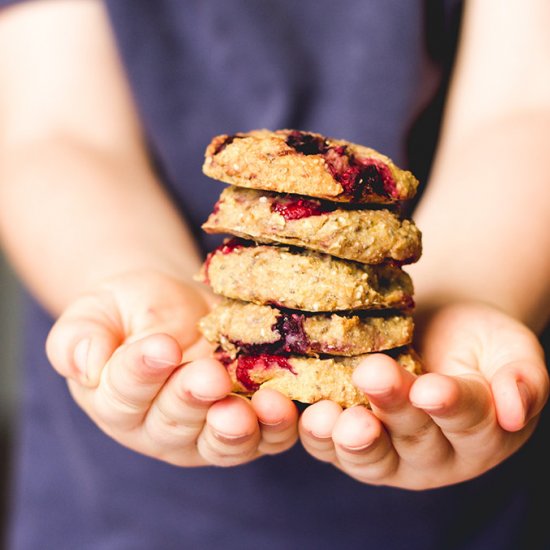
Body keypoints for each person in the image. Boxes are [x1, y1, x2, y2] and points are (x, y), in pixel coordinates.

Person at [0, 0, 548, 548]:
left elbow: (525, 108)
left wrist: (474, 288)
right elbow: (53, 128)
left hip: (452, 497)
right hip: (119, 499)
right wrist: (125, 273)